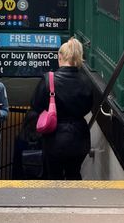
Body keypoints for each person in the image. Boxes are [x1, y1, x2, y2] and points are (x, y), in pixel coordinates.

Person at [31, 37, 93, 180]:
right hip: (80, 136)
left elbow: (35, 104)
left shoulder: (49, 79)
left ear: (60, 57)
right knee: (74, 174)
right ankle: (75, 201)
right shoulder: (86, 80)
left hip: (54, 136)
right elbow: (89, 106)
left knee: (54, 176)